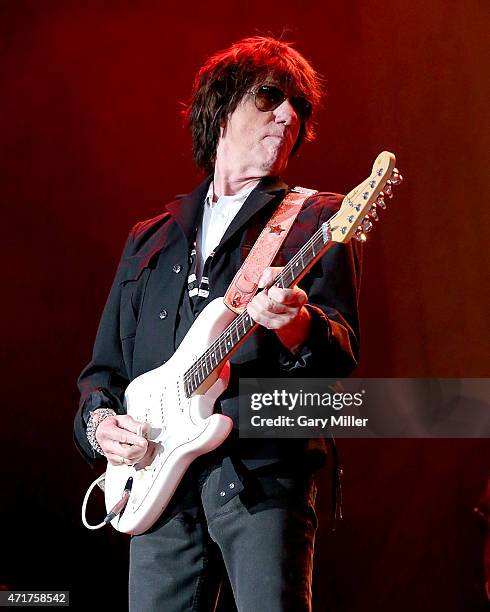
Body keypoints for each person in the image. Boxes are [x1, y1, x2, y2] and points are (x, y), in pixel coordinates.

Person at [74, 36, 361, 612]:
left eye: (299, 108)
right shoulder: (150, 238)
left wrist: (294, 325)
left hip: (261, 481)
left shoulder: (318, 218)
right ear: (222, 108)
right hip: (157, 487)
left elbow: (341, 363)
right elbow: (103, 371)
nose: (288, 115)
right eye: (272, 95)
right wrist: (99, 425)